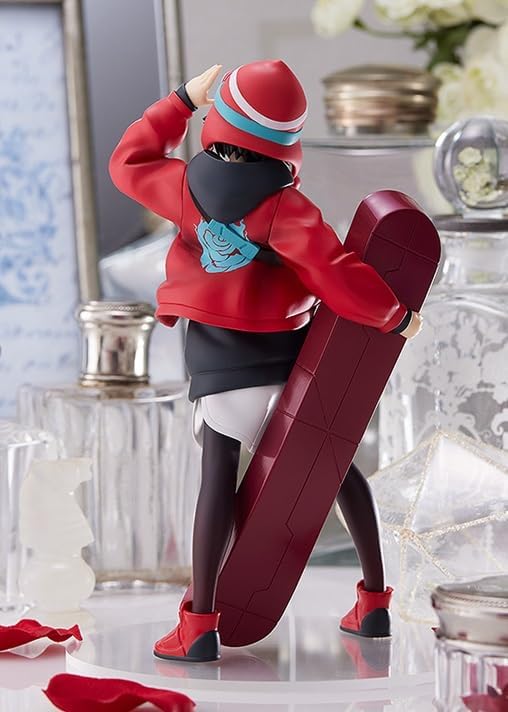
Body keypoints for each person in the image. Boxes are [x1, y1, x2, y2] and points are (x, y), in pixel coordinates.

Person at [110, 60, 422, 663]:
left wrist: (180, 100)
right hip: (287, 368)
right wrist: (394, 315)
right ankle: (374, 600)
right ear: (288, 141)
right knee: (337, 470)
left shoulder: (181, 186)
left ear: (220, 121)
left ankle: (199, 623)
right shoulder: (287, 209)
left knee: (216, 486)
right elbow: (336, 274)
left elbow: (129, 160)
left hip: (216, 370)